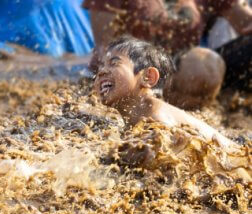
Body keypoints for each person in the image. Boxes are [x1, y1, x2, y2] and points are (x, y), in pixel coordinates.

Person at [84, 0, 252, 109]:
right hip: (136, 74)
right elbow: (105, 50)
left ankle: (228, 110)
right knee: (198, 68)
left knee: (205, 63)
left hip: (184, 76)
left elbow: (246, 23)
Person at [94, 36, 237, 148]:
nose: (102, 71)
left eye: (114, 63)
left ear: (148, 77)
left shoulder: (156, 121)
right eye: (101, 66)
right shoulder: (141, 115)